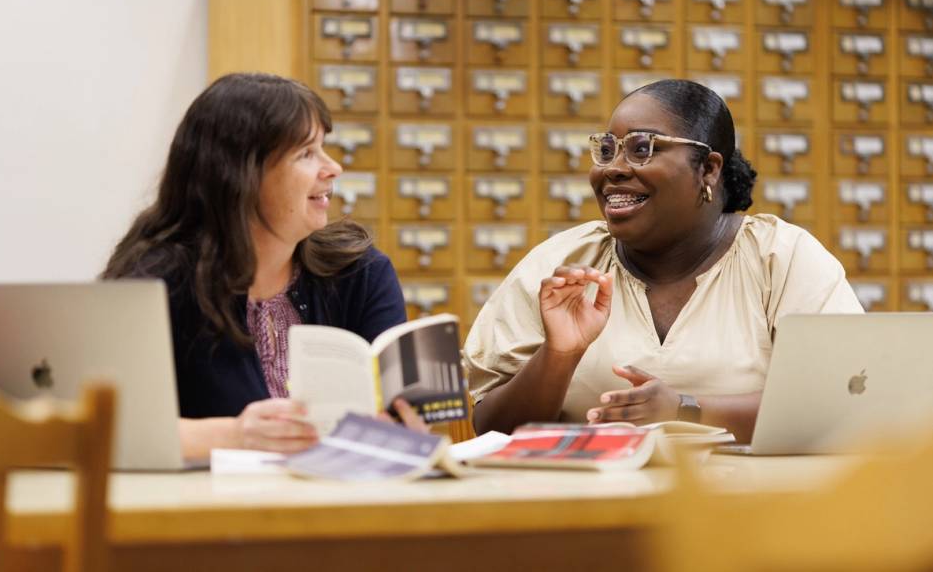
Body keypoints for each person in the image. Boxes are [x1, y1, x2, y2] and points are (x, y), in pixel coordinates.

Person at [464, 79, 863, 442]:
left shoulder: (783, 258)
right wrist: (558, 356)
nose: (614, 169)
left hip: (753, 511)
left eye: (643, 149)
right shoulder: (560, 264)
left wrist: (686, 410)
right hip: (589, 509)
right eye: (607, 150)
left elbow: (840, 403)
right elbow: (490, 427)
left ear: (708, 169)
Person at [103, 72, 420, 461]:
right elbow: (111, 430)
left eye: (324, 148)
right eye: (306, 153)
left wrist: (400, 428)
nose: (333, 167)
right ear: (241, 174)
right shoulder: (157, 281)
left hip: (342, 508)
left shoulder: (360, 273)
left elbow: (399, 420)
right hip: (209, 513)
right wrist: (235, 434)